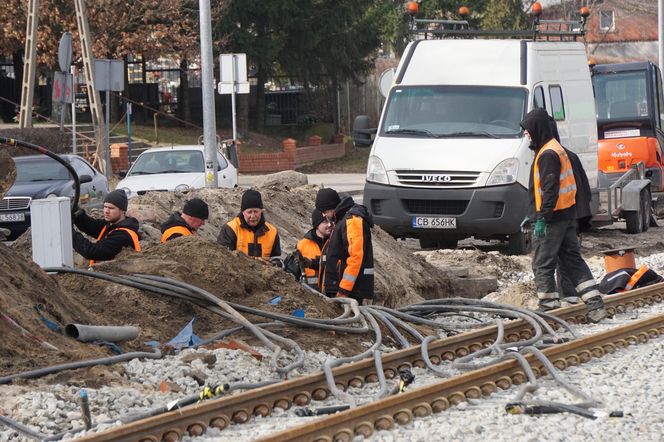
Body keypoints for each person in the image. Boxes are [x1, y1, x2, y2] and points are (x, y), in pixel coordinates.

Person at [520, 108, 607, 322]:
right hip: (567, 217)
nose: (526, 135)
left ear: (537, 129)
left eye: (528, 130)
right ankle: (596, 306)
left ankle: (549, 310)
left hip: (552, 219)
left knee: (542, 263)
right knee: (573, 262)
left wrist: (541, 218)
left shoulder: (548, 154)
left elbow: (549, 189)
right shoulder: (557, 149)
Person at [548, 117, 593, 304]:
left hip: (560, 216)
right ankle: (575, 296)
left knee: (560, 258)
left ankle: (567, 296)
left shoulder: (551, 156)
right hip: (573, 215)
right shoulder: (569, 155)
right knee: (570, 257)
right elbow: (585, 190)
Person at [321, 194, 375, 303]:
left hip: (351, 291)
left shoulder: (352, 220)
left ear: (331, 208)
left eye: (324, 211)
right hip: (343, 287)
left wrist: (344, 290)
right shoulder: (342, 219)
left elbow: (356, 257)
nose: (324, 215)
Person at [72, 189, 141, 266]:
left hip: (115, 276)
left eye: (111, 208)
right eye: (105, 207)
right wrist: (78, 214)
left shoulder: (123, 235)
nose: (106, 211)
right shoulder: (112, 225)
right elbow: (91, 226)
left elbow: (91, 252)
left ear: (122, 210)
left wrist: (69, 233)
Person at [217, 189, 281, 259]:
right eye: (249, 212)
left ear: (262, 211)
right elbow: (223, 257)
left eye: (256, 211)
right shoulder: (230, 229)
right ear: (243, 212)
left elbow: (276, 258)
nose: (253, 216)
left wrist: (276, 262)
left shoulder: (272, 231)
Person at [296, 209, 334, 287]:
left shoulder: (337, 243)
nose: (330, 225)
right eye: (325, 222)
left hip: (332, 293)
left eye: (331, 221)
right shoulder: (302, 245)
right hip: (310, 295)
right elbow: (292, 275)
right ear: (316, 224)